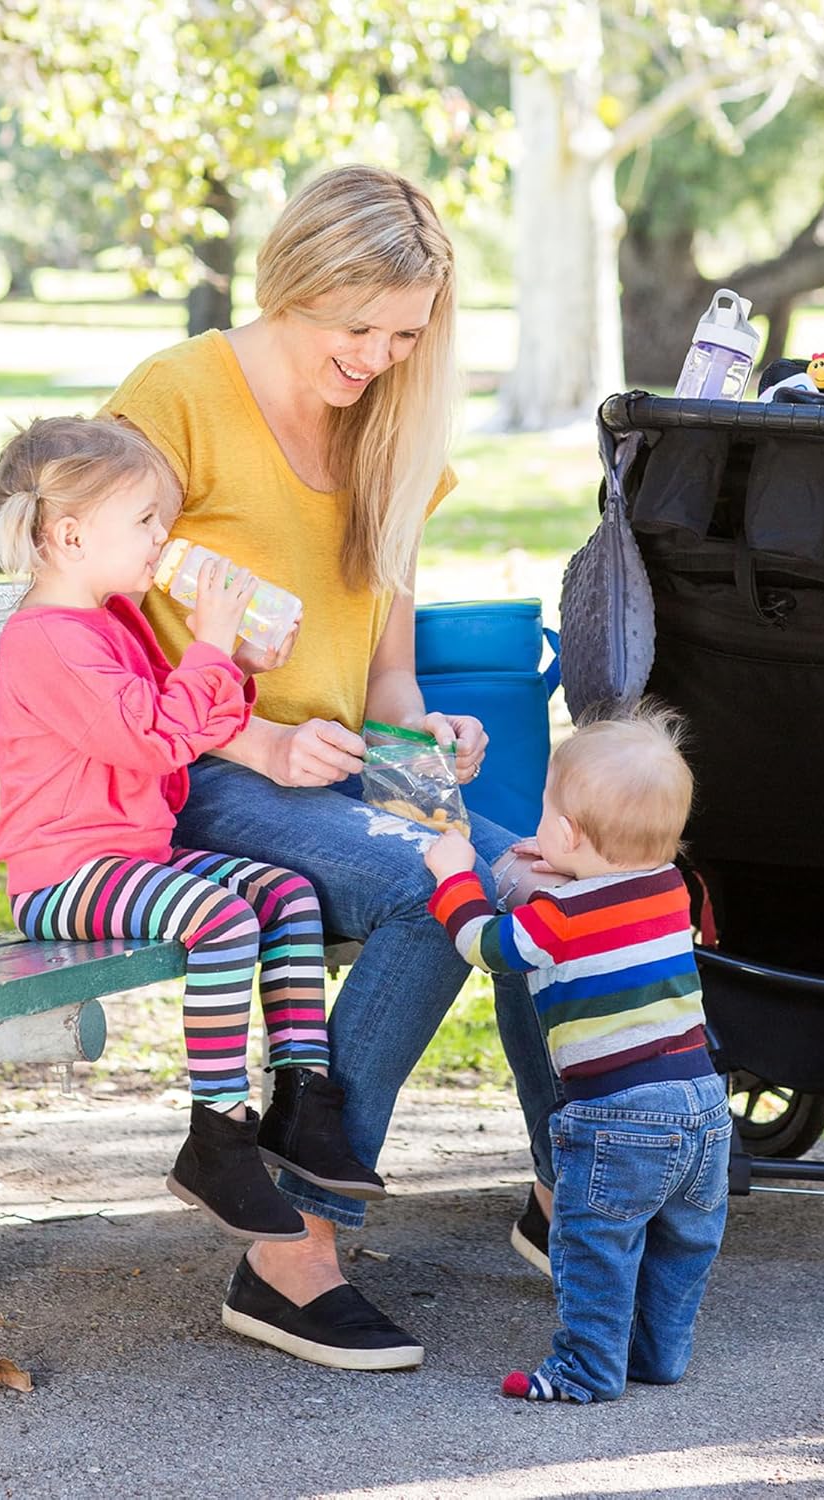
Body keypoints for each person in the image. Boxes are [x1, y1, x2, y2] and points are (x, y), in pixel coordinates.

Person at [102, 163, 560, 1370]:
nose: (375, 357)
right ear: (291, 284)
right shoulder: (178, 396)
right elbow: (87, 630)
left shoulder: (389, 430)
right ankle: (294, 1252)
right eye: (354, 326)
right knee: (431, 889)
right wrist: (251, 736)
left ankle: (575, 1207)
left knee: (537, 887)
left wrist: (429, 755)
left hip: (336, 776)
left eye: (403, 335)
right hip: (194, 771)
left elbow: (387, 687)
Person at [0, 416, 386, 1273]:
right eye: (145, 523)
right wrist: (206, 644)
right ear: (68, 534)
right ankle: (217, 1135)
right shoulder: (44, 640)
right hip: (64, 876)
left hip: (133, 861)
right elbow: (154, 738)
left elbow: (191, 715)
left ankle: (302, 1100)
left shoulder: (110, 618)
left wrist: (240, 658)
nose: (161, 540)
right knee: (221, 919)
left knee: (285, 895)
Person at [424, 706, 731, 1404]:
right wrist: (562, 866)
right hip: (703, 1107)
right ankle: (660, 1355)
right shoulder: (668, 888)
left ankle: (584, 1370)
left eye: (547, 814)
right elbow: (603, 887)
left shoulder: (559, 919)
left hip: (620, 1117)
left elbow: (490, 948)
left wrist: (454, 878)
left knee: (594, 1245)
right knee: (681, 1248)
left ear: (566, 831)